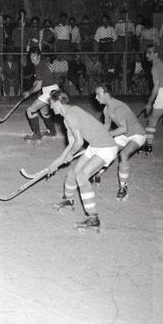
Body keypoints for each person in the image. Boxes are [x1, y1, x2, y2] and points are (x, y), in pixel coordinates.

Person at [48, 90, 119, 230]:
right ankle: (68, 200)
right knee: (72, 173)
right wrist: (56, 162)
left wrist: (70, 155)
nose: (51, 107)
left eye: (52, 104)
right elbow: (71, 144)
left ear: (58, 103)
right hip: (95, 146)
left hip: (106, 147)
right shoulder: (67, 117)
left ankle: (93, 218)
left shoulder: (70, 115)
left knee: (81, 176)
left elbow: (79, 142)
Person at [94, 83, 146, 200]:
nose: (96, 97)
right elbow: (107, 125)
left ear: (106, 94)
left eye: (98, 94)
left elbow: (123, 129)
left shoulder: (118, 108)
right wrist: (100, 136)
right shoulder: (106, 109)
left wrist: (108, 135)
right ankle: (98, 173)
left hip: (137, 135)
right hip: (124, 135)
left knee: (123, 154)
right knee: (107, 150)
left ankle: (123, 187)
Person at [21, 47, 58, 141]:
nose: (32, 58)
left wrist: (29, 92)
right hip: (53, 89)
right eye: (31, 56)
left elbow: (38, 86)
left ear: (39, 56)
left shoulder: (40, 66)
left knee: (30, 110)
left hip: (49, 91)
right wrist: (30, 90)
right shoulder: (42, 64)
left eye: (34, 56)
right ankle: (52, 131)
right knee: (44, 112)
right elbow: (37, 82)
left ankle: (37, 135)